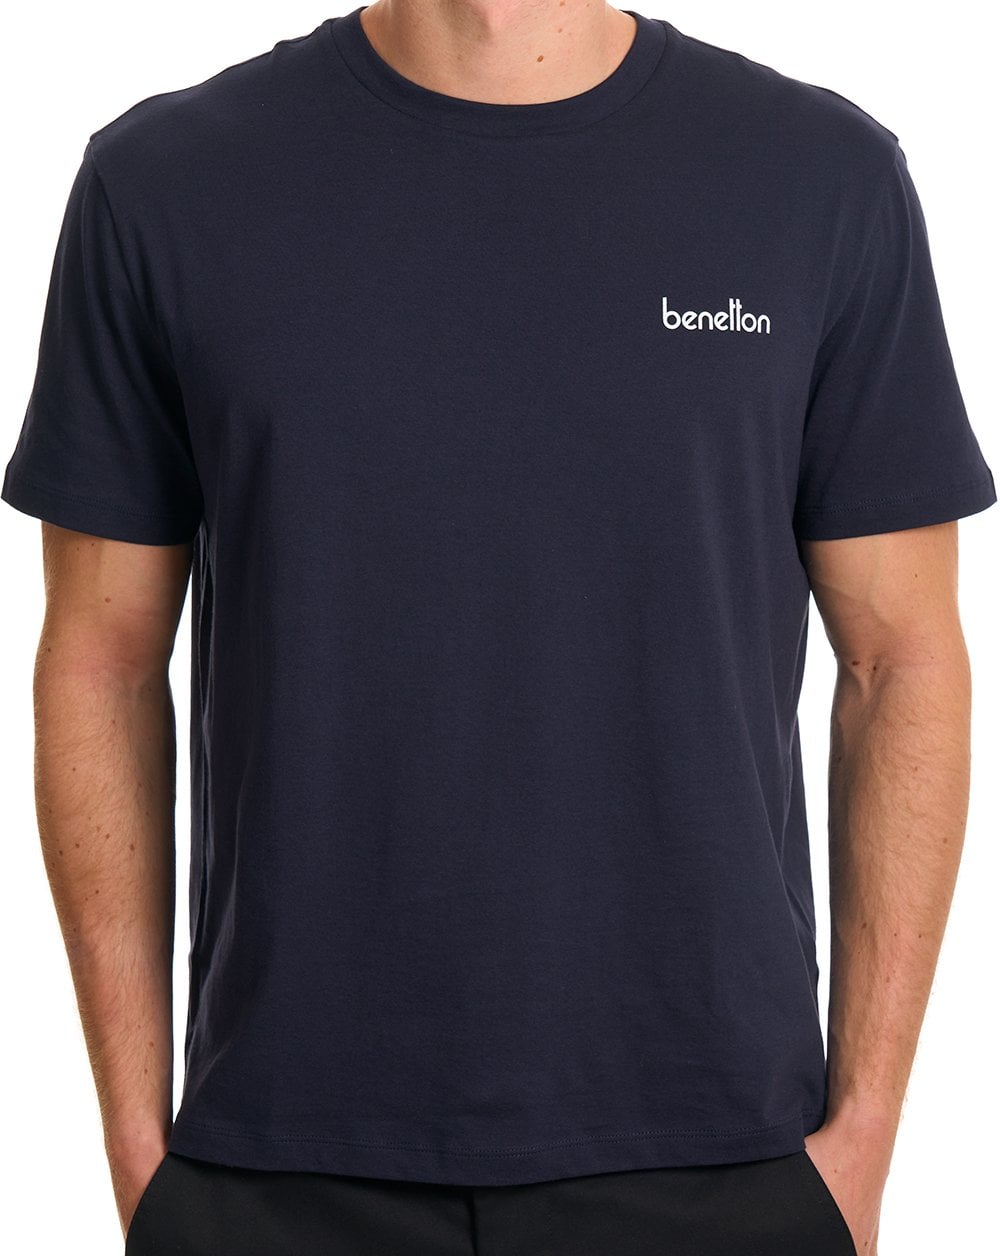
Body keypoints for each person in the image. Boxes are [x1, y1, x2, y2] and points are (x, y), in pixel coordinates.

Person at [2, 2, 995, 1253]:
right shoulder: (164, 183)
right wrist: (138, 1149)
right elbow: (99, 659)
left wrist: (862, 1139)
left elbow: (900, 657)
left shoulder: (818, 178)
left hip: (722, 1156)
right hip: (277, 1163)